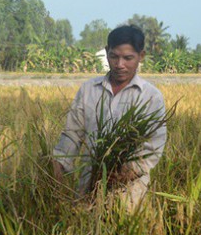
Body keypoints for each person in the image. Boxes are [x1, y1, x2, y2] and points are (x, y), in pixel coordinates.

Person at [52, 25, 166, 210]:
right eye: (114, 56)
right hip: (87, 190)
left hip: (128, 196)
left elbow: (152, 148)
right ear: (106, 52)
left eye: (128, 58)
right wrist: (58, 166)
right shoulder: (89, 90)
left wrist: (122, 174)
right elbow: (72, 135)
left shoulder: (150, 97)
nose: (120, 64)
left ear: (141, 56)